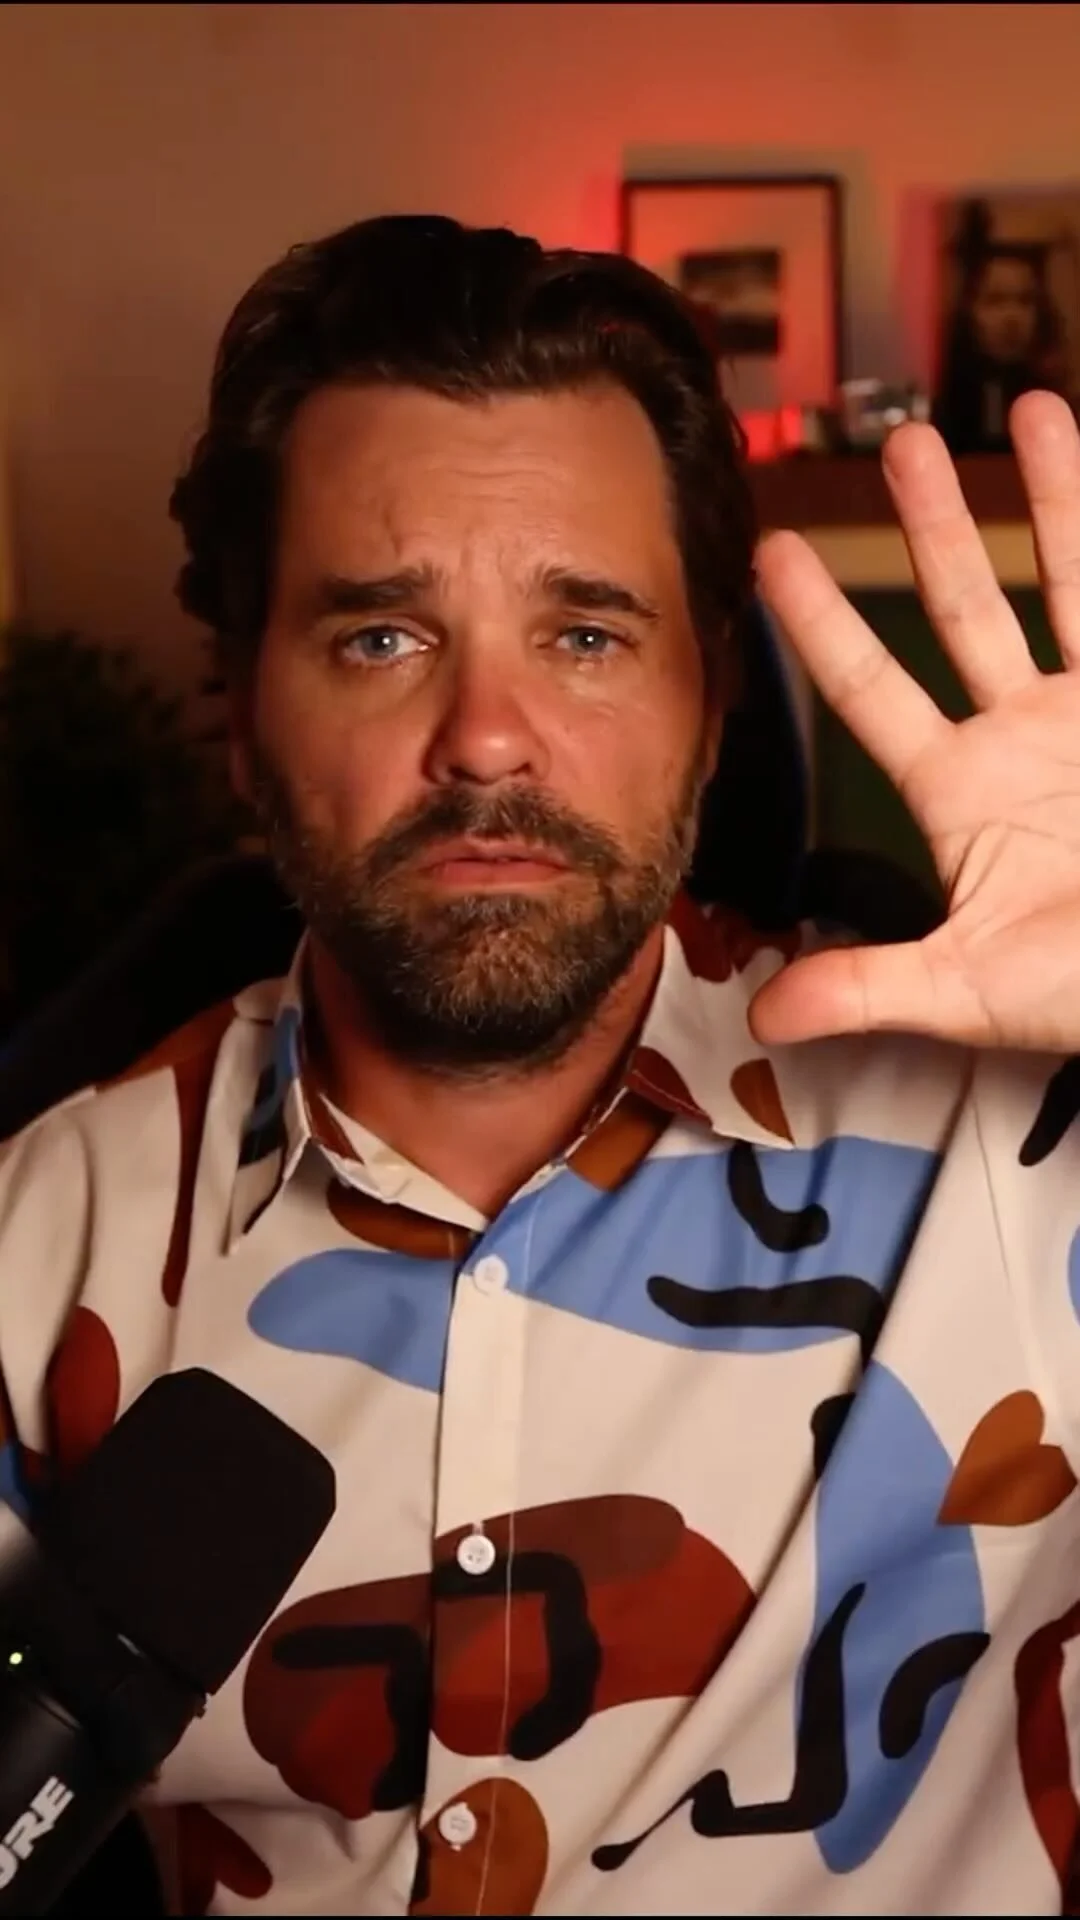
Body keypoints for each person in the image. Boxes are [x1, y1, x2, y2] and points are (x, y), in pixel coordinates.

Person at [4, 213, 1080, 1918]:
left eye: (585, 636)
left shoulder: (1019, 1160)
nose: (488, 738)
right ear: (243, 720)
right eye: (380, 636)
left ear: (710, 717)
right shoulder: (40, 1236)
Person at [932, 201, 1069, 453]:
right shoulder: (941, 406)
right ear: (968, 308)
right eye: (995, 300)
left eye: (1025, 300)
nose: (1012, 318)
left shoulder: (1059, 405)